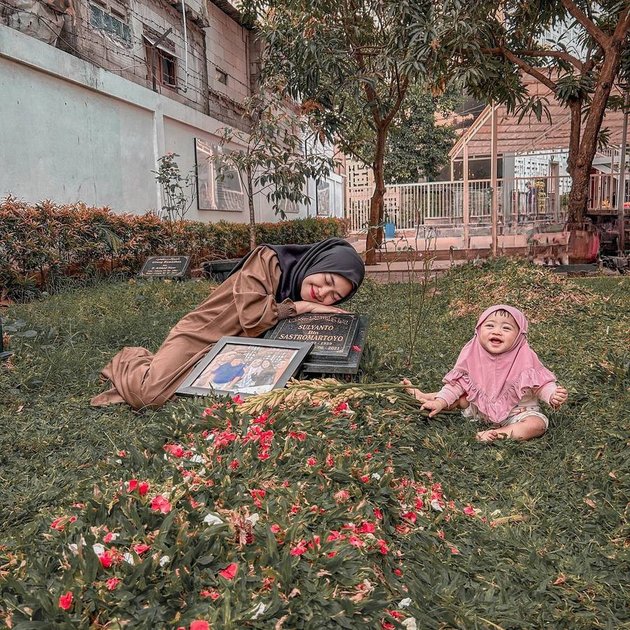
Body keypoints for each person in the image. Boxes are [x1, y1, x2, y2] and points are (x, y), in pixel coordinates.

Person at [91, 238, 365, 410]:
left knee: (200, 394)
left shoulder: (304, 286)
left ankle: (166, 367)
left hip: (237, 350)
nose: (323, 294)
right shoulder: (267, 260)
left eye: (335, 296)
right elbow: (251, 316)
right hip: (201, 334)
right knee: (149, 395)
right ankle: (132, 359)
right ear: (318, 262)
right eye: (327, 281)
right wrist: (301, 307)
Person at [404, 305, 568, 442]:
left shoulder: (525, 356)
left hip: (519, 412)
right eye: (490, 326)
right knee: (459, 397)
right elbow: (457, 385)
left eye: (506, 328)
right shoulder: (472, 353)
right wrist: (440, 402)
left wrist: (552, 395)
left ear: (519, 336)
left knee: (536, 424)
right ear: (478, 330)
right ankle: (427, 398)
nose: (497, 331)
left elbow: (541, 383)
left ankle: (500, 434)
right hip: (481, 411)